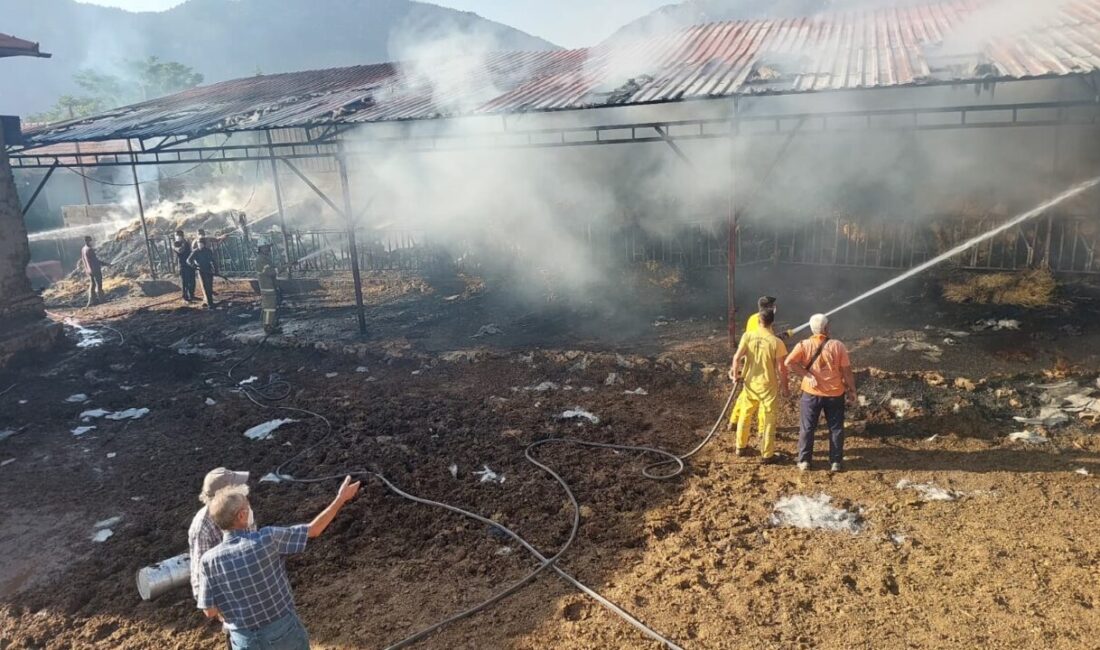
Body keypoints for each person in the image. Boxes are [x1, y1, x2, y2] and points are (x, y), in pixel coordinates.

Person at [196, 476, 361, 650]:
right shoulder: (267, 539)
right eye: (248, 507)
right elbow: (314, 529)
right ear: (242, 515)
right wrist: (340, 498)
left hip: (243, 640)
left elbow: (209, 611)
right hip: (282, 632)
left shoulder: (208, 561)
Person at [785, 313, 857, 472]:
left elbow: (789, 362)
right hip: (834, 394)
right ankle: (836, 462)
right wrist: (852, 390)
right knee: (836, 428)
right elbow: (847, 371)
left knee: (807, 428)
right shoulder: (838, 346)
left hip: (811, 393)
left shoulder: (803, 345)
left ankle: (804, 461)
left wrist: (807, 375)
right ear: (826, 328)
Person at [729, 307, 790, 463]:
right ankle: (767, 455)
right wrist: (785, 388)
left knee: (745, 414)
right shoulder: (777, 342)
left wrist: (735, 375)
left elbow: (736, 358)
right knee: (769, 419)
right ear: (772, 322)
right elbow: (782, 369)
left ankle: (740, 447)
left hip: (750, 383)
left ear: (758, 320)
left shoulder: (748, 336)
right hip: (768, 385)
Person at [189, 468, 252, 602]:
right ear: (225, 497)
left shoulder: (243, 507)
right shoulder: (202, 528)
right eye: (238, 488)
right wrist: (213, 608)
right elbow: (200, 574)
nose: (244, 489)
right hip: (229, 589)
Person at [255, 240, 280, 334]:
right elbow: (270, 272)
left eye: (269, 246)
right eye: (266, 246)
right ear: (260, 248)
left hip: (271, 286)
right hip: (267, 287)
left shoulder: (265, 258)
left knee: (272, 306)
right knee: (270, 308)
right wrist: (284, 267)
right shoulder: (261, 259)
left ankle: (272, 324)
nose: (268, 248)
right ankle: (268, 326)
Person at [188, 238, 219, 308]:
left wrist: (216, 270)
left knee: (210, 286)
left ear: (204, 244)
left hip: (208, 270)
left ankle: (210, 302)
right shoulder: (195, 252)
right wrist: (194, 265)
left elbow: (213, 260)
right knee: (205, 286)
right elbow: (188, 260)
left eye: (201, 244)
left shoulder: (208, 251)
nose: (200, 245)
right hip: (201, 270)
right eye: (199, 244)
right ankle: (209, 303)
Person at [81, 236, 111, 307]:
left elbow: (84, 260)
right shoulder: (90, 250)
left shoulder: (83, 249)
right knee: (99, 285)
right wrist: (106, 264)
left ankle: (91, 301)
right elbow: (96, 261)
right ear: (88, 241)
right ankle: (102, 300)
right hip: (95, 270)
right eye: (91, 241)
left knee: (92, 285)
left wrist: (87, 269)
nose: (92, 242)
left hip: (89, 270)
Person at [173, 229, 197, 302]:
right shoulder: (176, 244)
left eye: (178, 235)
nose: (177, 237)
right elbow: (180, 250)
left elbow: (192, 250)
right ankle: (185, 297)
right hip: (182, 265)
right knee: (185, 282)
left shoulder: (187, 242)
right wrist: (182, 243)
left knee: (192, 281)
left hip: (190, 264)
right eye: (177, 236)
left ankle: (191, 295)